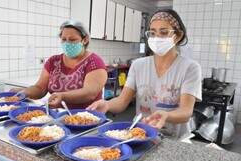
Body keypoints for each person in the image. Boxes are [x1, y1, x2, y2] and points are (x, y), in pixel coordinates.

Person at [87, 9, 202, 138]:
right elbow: (122, 100)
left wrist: (166, 115)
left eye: (163, 32)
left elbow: (186, 112)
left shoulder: (190, 68)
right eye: (152, 33)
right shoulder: (138, 65)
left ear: (178, 35)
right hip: (142, 134)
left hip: (174, 139)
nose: (157, 37)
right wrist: (107, 104)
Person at [12, 20, 107, 109]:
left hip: (86, 118)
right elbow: (40, 88)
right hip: (55, 116)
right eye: (64, 39)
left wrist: (62, 96)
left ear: (85, 40)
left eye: (72, 39)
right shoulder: (53, 61)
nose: (67, 43)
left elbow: (89, 93)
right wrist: (25, 92)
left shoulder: (94, 62)